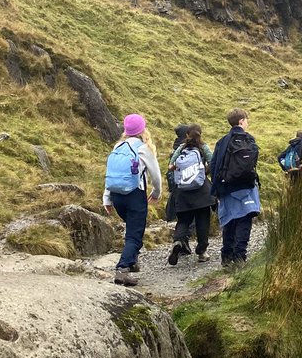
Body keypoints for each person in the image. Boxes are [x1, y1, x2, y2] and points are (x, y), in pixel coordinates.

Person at [102, 113, 162, 286]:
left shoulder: (118, 146)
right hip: (135, 195)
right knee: (134, 235)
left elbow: (111, 174)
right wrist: (157, 192)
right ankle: (122, 269)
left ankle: (133, 260)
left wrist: (107, 198)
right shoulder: (143, 148)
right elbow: (155, 175)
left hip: (117, 196)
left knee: (132, 229)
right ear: (142, 129)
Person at [210, 108, 261, 267]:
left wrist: (216, 189)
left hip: (227, 187)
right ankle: (240, 256)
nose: (247, 123)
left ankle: (226, 256)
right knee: (245, 220)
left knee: (230, 220)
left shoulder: (223, 141)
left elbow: (214, 165)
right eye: (246, 120)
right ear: (241, 121)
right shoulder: (250, 139)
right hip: (246, 186)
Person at [165, 124, 214, 265]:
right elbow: (213, 162)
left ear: (187, 135)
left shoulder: (181, 148)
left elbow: (170, 165)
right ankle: (202, 252)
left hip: (183, 192)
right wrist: (204, 172)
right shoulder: (203, 147)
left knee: (183, 220)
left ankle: (178, 241)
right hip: (201, 191)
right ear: (200, 134)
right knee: (202, 221)